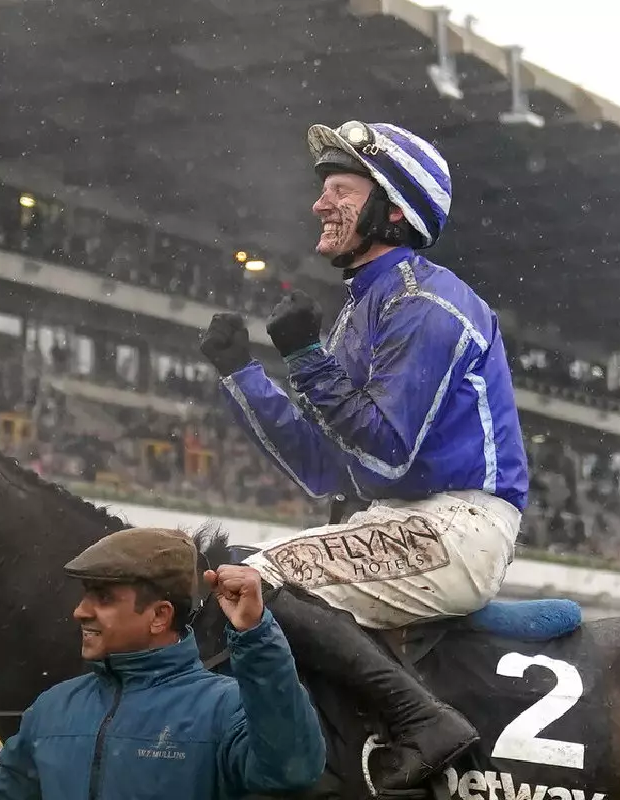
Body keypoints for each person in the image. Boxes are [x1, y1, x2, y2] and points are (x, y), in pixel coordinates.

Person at [199, 120, 529, 796]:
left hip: (458, 526)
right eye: (324, 189)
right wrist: (242, 374)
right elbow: (325, 468)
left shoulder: (428, 302)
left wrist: (305, 359)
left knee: (255, 579)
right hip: (402, 518)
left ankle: (424, 722)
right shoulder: (366, 306)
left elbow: (387, 455)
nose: (320, 203)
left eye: (341, 191)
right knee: (239, 571)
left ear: (394, 210)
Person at [0, 527, 327, 799]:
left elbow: (293, 770)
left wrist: (256, 635)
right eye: (86, 594)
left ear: (159, 616)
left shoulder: (224, 708)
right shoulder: (54, 708)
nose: (80, 611)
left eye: (102, 598)